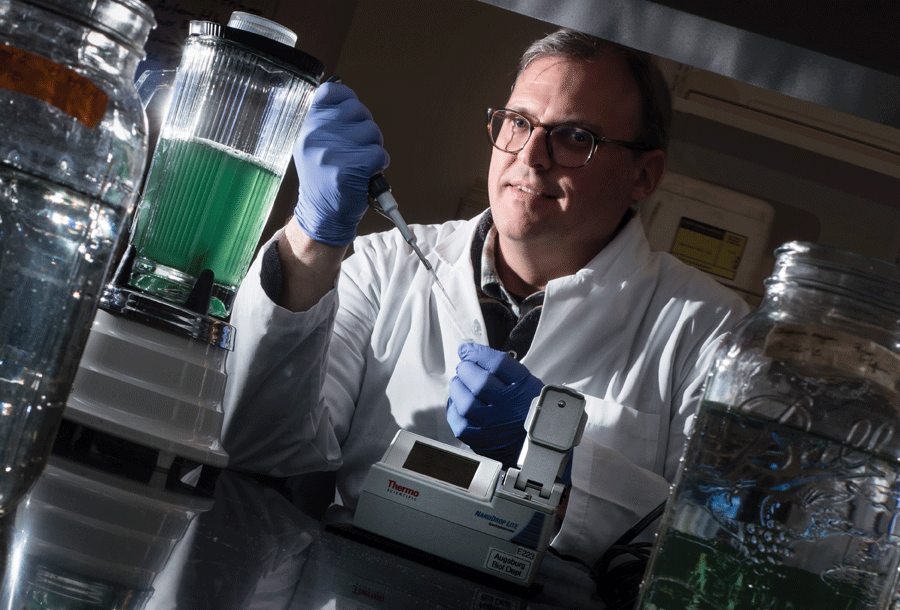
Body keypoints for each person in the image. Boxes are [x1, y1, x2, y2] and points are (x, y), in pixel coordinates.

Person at [221, 28, 751, 567]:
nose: (531, 156)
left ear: (644, 175)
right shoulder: (383, 268)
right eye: (519, 122)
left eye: (572, 136)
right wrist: (311, 238)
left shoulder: (711, 332)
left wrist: (552, 455)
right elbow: (259, 449)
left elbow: (717, 548)